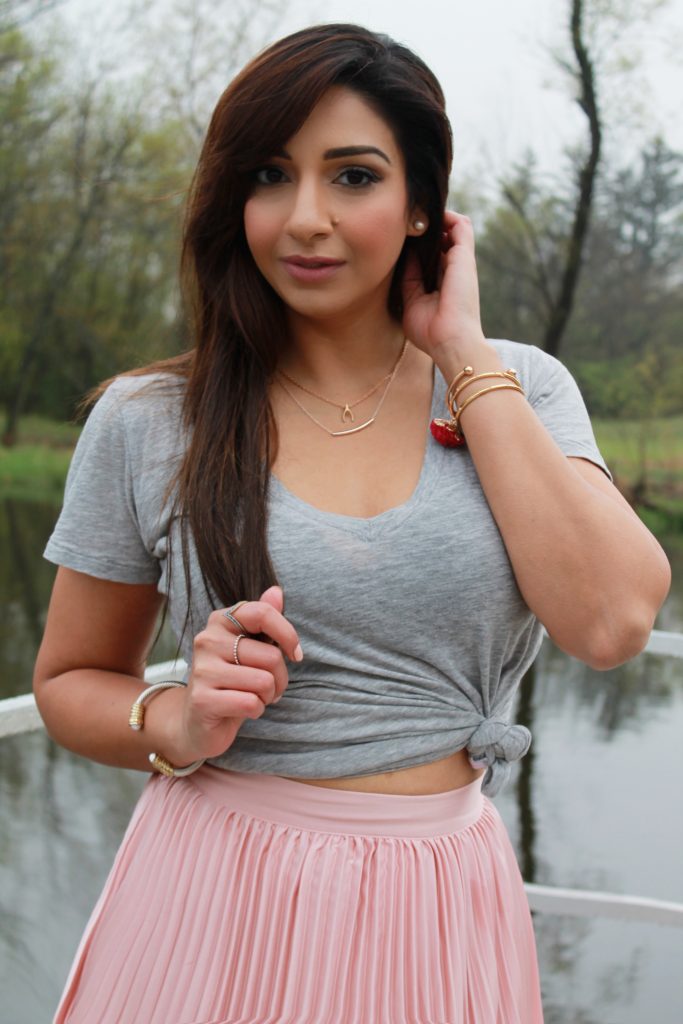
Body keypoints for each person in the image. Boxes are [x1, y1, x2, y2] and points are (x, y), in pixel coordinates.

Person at [34, 22, 671, 1024]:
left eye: (353, 177)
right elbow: (69, 679)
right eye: (268, 175)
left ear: (422, 205)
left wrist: (459, 350)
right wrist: (180, 719)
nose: (305, 218)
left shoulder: (515, 389)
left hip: (437, 903)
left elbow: (609, 622)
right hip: (216, 892)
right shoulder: (150, 421)